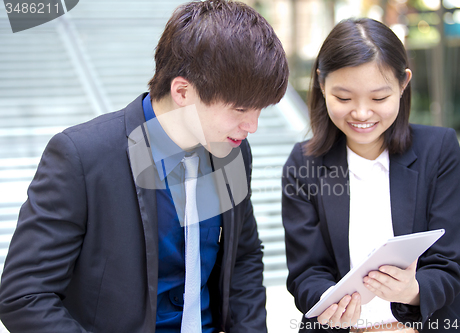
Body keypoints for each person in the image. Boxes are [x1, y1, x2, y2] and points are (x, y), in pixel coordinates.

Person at [0, 1, 288, 332]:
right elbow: (25, 296)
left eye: (261, 110)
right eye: (240, 109)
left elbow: (243, 257)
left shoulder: (231, 150)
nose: (252, 126)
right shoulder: (83, 156)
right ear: (182, 91)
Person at [282, 18, 460, 333]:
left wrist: (412, 291)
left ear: (403, 84)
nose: (362, 114)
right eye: (344, 98)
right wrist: (329, 304)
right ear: (321, 84)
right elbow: (305, 272)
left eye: (379, 98)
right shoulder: (303, 164)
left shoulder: (438, 149)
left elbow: (450, 262)